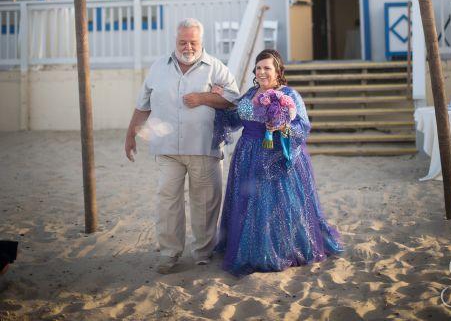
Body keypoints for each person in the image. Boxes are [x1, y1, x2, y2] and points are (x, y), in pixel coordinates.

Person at [214, 49, 345, 276]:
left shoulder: (290, 95)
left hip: (278, 156)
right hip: (248, 156)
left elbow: (302, 129)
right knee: (252, 205)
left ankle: (281, 250)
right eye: (259, 68)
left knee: (276, 205)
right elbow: (236, 118)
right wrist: (218, 101)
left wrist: (282, 127)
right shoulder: (250, 93)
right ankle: (251, 251)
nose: (262, 72)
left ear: (278, 71)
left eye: (267, 68)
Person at [124, 18, 240, 274]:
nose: (187, 47)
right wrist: (130, 135)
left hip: (204, 148)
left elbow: (234, 100)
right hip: (167, 149)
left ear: (201, 42)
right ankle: (169, 253)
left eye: (193, 42)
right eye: (182, 42)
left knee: (205, 202)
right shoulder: (157, 67)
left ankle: (202, 252)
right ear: (175, 41)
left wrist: (204, 97)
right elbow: (143, 104)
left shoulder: (216, 68)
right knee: (167, 201)